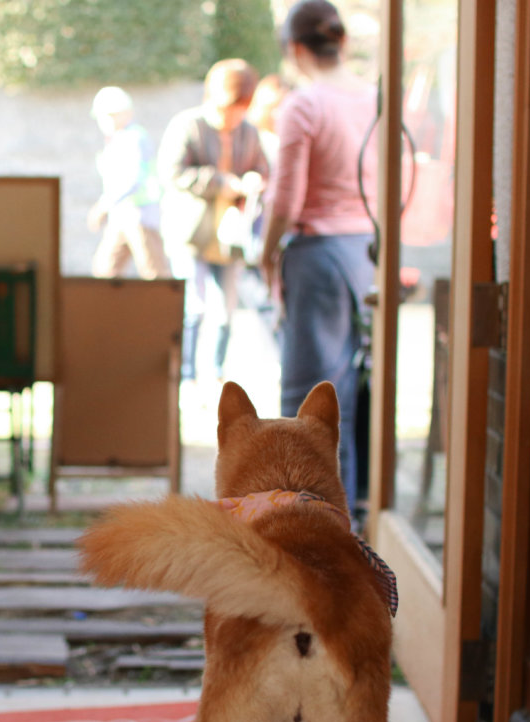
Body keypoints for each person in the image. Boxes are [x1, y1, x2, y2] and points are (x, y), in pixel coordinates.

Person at [260, 0, 377, 518]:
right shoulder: (374, 98)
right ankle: (341, 526)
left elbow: (285, 199)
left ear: (294, 49)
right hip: (362, 252)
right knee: (342, 402)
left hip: (319, 255)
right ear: (343, 42)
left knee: (308, 407)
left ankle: (312, 536)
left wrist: (267, 256)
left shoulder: (304, 104)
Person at [157, 59, 269, 382]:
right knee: (194, 306)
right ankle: (186, 373)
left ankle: (216, 371)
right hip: (191, 232)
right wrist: (222, 182)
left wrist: (252, 182)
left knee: (225, 309)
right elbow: (172, 172)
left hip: (231, 235)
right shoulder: (188, 125)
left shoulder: (249, 133)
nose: (233, 115)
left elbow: (264, 171)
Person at [88, 86, 170, 280]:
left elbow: (133, 179)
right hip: (121, 215)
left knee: (154, 273)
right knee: (105, 271)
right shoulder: (117, 139)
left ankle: (161, 310)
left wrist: (104, 205)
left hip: (140, 214)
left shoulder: (134, 138)